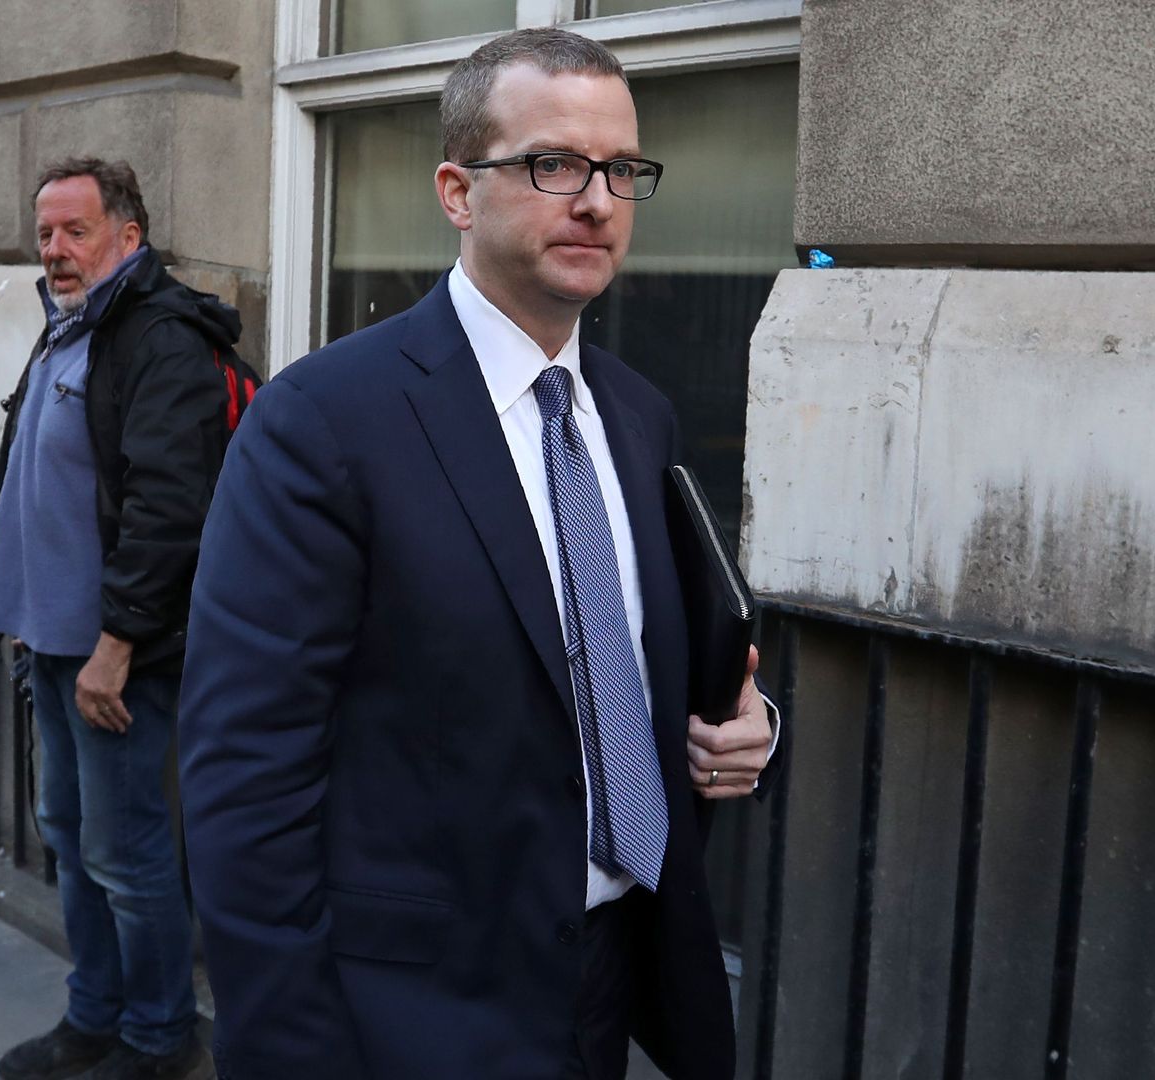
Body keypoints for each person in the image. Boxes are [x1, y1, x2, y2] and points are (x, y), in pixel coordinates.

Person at [177, 27, 780, 1080]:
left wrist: (746, 725)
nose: (596, 200)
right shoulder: (322, 422)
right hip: (415, 1013)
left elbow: (636, 670)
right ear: (457, 191)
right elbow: (244, 788)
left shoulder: (638, 418)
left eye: (621, 170)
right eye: (553, 164)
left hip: (611, 981)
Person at [0, 157, 237, 1080]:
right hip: (50, 639)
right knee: (70, 838)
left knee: (127, 856)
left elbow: (172, 508)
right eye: (44, 232)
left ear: (127, 236)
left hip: (116, 653)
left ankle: (160, 1036)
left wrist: (116, 645)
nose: (54, 249)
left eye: (74, 230)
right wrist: (23, 611)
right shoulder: (68, 326)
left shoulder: (158, 338)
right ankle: (93, 1014)